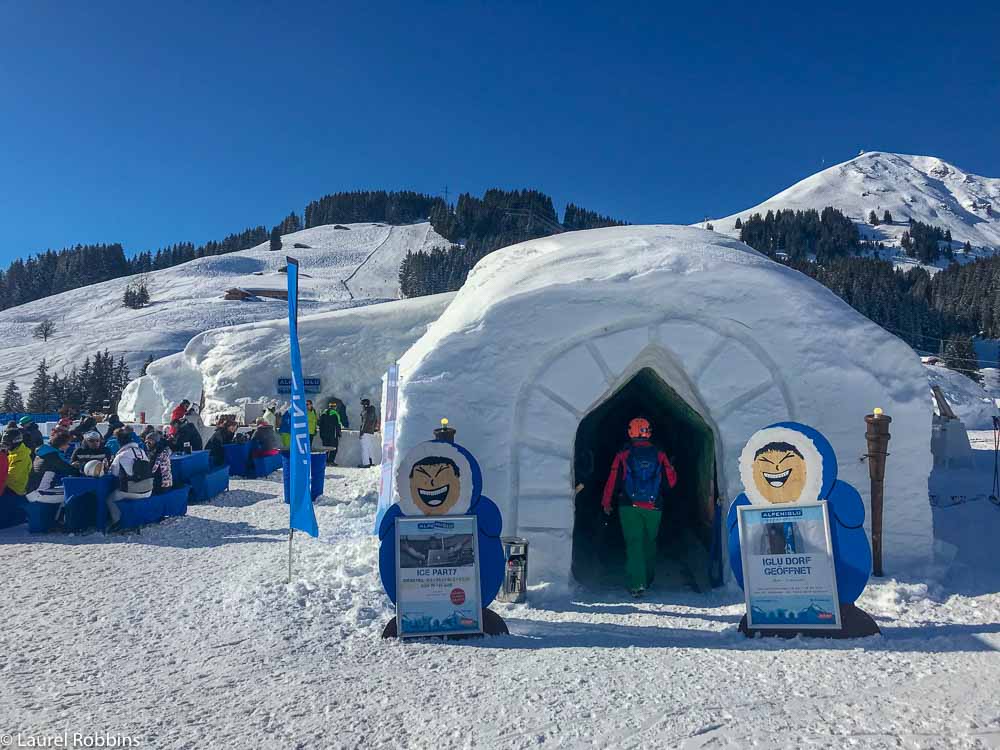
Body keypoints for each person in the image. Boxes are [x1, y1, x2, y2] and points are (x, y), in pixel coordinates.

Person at [601, 417, 678, 597]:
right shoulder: (660, 454)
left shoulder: (623, 454)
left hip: (629, 506)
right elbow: (671, 482)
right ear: (648, 432)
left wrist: (606, 502)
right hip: (654, 507)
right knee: (649, 542)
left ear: (631, 432)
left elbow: (613, 480)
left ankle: (637, 584)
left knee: (634, 543)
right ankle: (648, 578)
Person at [107, 431, 153, 528]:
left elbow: (114, 473)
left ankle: (117, 521)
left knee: (110, 499)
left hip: (132, 490)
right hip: (148, 490)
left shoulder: (121, 455)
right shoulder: (142, 451)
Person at [26, 432, 80, 506]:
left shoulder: (46, 452)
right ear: (62, 445)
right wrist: (80, 469)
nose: (68, 446)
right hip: (39, 493)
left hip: (33, 490)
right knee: (73, 494)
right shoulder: (53, 455)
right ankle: (63, 517)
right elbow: (70, 470)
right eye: (67, 444)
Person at [0, 429, 30, 528]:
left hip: (15, 488)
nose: (6, 446)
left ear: (15, 442)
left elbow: (11, 476)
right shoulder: (12, 452)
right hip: (8, 485)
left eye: (7, 444)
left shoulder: (21, 455)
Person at [318, 401, 344, 466]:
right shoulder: (335, 414)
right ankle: (331, 461)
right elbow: (338, 425)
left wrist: (321, 434)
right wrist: (339, 433)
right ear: (334, 407)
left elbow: (320, 424)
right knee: (334, 448)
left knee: (325, 448)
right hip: (333, 435)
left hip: (324, 435)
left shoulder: (323, 414)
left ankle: (325, 461)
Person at [359, 398, 380, 468]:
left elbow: (365, 422)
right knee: (370, 447)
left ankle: (366, 463)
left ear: (365, 405)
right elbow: (376, 421)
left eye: (362, 404)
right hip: (371, 432)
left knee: (364, 448)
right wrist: (373, 429)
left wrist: (362, 432)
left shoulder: (366, 412)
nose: (362, 406)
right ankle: (372, 462)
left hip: (365, 432)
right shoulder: (372, 411)